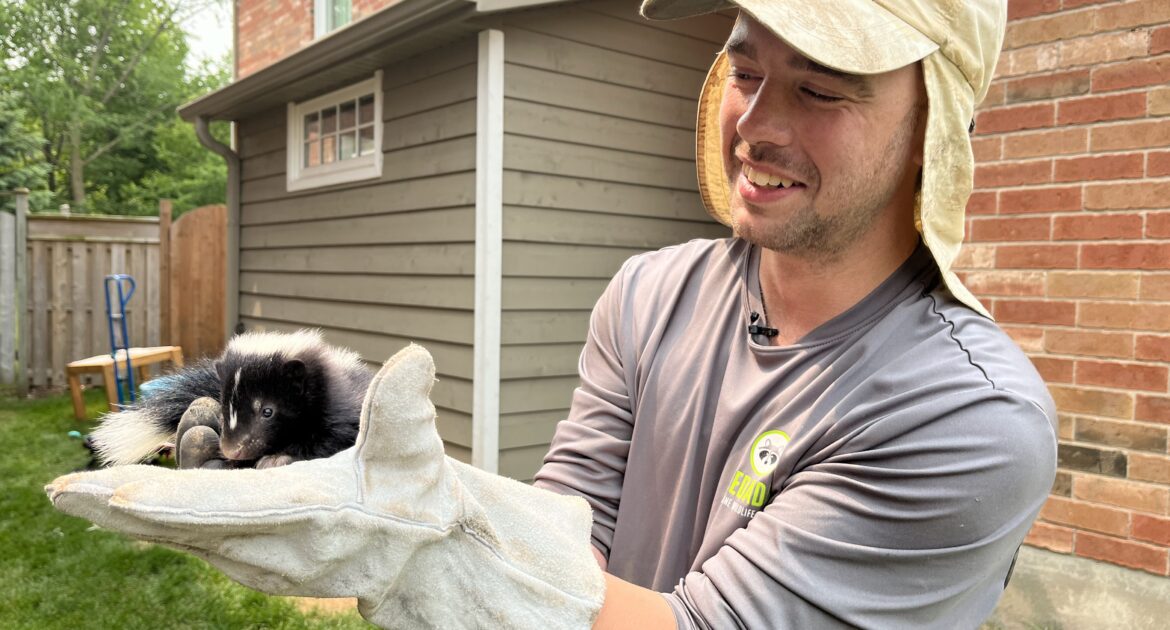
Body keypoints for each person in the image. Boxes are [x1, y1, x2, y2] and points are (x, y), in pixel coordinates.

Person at [47, 1, 1057, 628]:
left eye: (824, 88)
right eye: (746, 70)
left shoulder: (965, 419)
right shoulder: (652, 293)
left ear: (935, 131)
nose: (759, 123)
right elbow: (576, 520)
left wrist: (438, 549)